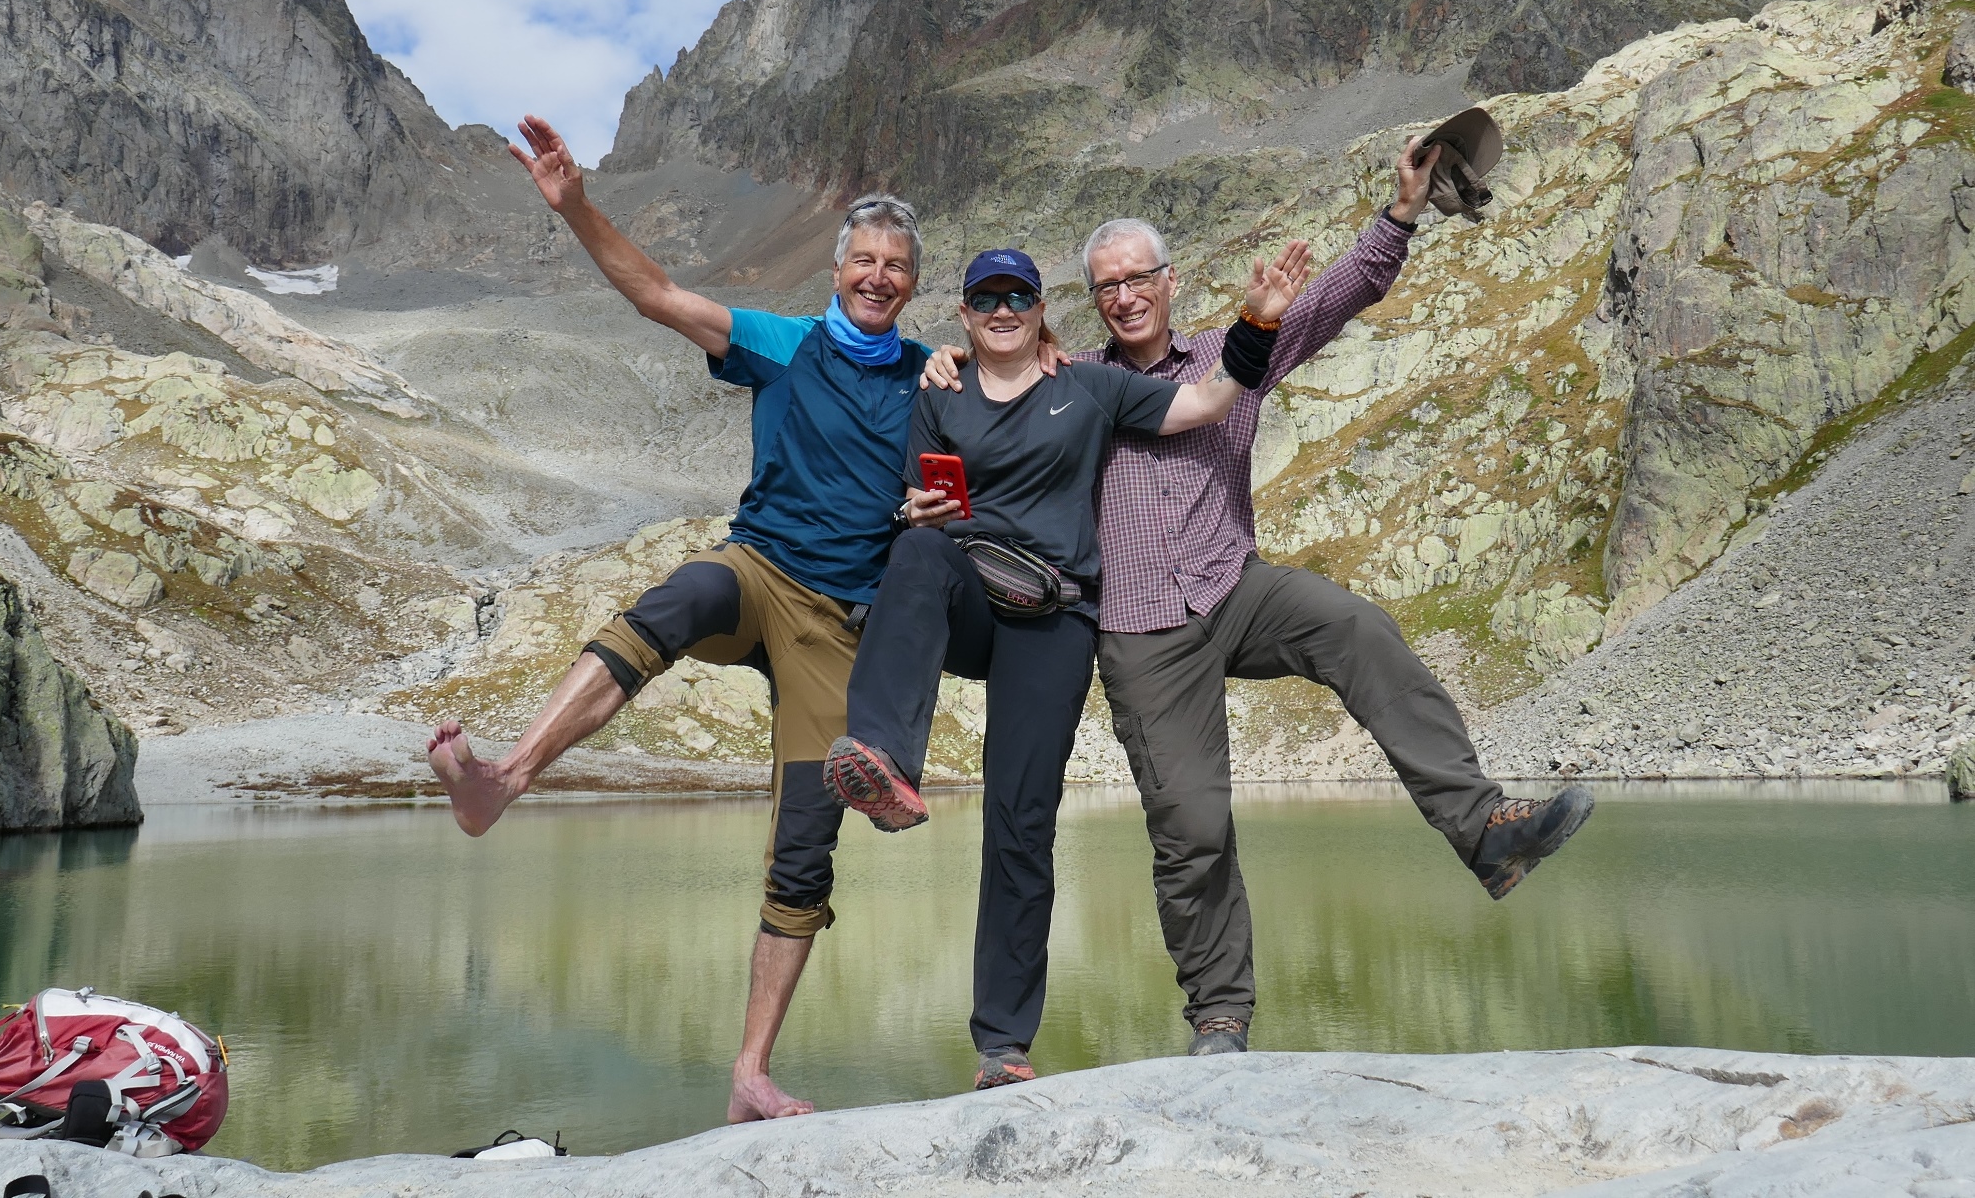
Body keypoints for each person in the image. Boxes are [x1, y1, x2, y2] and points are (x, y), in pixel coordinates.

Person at [922, 134, 1595, 1061]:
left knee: (1357, 628)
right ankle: (1220, 1016)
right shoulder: (1070, 385)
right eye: (1106, 284)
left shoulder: (1228, 352)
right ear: (1092, 300)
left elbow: (1332, 299)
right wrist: (943, 361)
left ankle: (1486, 831)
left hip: (1233, 584)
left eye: (1138, 277)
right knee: (1191, 825)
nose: (1124, 295)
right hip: (1140, 625)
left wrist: (1399, 214)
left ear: (1167, 279)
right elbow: (988, 411)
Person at [423, 115, 932, 1124]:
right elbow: (658, 295)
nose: (877, 276)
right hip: (761, 570)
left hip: (839, 622)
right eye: (863, 260)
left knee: (805, 844)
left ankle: (748, 1073)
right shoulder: (783, 345)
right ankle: (505, 779)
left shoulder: (930, 377)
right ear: (838, 272)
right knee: (681, 596)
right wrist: (577, 209)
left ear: (913, 281)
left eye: (895, 266)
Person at [823, 239, 1310, 1090]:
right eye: (987, 299)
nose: (1003, 310)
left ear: (1042, 310)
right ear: (966, 315)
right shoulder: (940, 393)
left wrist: (1258, 320)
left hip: (1054, 620)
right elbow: (917, 499)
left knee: (1021, 818)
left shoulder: (1087, 385)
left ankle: (1001, 1048)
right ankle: (884, 759)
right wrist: (922, 508)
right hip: (974, 592)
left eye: (1019, 297)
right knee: (915, 555)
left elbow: (1204, 402)